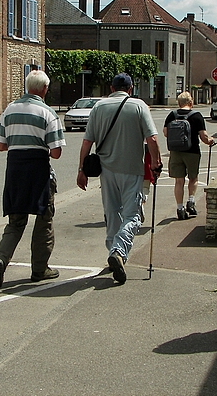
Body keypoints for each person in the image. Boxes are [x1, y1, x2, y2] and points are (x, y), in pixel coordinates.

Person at [77, 73, 162, 284]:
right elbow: (151, 138)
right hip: (132, 169)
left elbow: (87, 141)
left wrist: (81, 169)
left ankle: (113, 254)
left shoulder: (98, 107)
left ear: (111, 87)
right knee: (132, 215)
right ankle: (118, 251)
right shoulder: (139, 106)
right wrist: (156, 163)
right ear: (131, 88)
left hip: (106, 170)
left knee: (111, 212)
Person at [0, 70, 66, 289]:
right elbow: (56, 153)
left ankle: (0, 260)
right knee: (44, 219)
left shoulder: (9, 110)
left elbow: (2, 145)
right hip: (38, 171)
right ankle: (39, 269)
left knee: (15, 222)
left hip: (15, 170)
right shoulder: (48, 113)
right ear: (43, 89)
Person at [163, 91, 216, 220]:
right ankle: (191, 201)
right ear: (190, 103)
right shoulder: (196, 116)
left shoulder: (172, 115)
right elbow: (203, 136)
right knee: (193, 178)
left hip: (176, 151)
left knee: (179, 181)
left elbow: (165, 132)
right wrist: (210, 141)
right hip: (192, 151)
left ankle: (180, 208)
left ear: (179, 103)